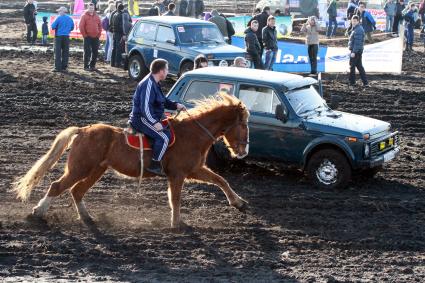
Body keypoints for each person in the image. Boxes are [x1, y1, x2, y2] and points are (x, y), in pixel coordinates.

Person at [128, 59, 185, 175]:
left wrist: (175, 105)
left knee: (170, 132)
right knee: (164, 138)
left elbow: (162, 100)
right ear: (161, 71)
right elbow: (145, 109)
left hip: (149, 117)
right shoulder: (148, 84)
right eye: (167, 69)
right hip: (140, 119)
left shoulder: (155, 82)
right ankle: (154, 164)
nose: (168, 72)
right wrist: (154, 123)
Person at [79, 3, 102, 71]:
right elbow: (81, 26)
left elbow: (100, 26)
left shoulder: (97, 16)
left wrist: (99, 34)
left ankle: (92, 65)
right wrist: (85, 35)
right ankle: (86, 66)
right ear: (88, 8)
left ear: (94, 8)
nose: (91, 9)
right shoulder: (84, 16)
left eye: (92, 8)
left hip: (96, 37)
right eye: (90, 8)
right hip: (87, 37)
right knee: (87, 52)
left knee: (95, 52)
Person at [51, 6, 74, 72]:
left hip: (59, 36)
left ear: (62, 11)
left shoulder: (58, 18)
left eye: (59, 11)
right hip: (66, 36)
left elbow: (53, 26)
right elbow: (72, 27)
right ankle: (64, 67)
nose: (58, 12)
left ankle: (57, 67)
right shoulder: (70, 18)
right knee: (65, 52)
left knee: (57, 52)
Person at [348, 15, 368, 87]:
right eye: (352, 21)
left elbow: (357, 42)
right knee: (359, 67)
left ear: (358, 21)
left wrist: (353, 52)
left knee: (352, 66)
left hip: (356, 51)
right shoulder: (355, 28)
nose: (353, 22)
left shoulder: (358, 29)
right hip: (357, 51)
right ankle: (365, 82)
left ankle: (352, 82)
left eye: (355, 21)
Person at [111, 3, 132, 67]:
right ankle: (118, 63)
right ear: (123, 8)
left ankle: (113, 63)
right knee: (119, 49)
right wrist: (124, 34)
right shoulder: (122, 15)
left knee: (114, 48)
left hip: (114, 33)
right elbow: (123, 26)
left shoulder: (115, 14)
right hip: (119, 34)